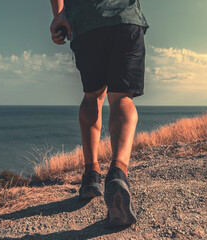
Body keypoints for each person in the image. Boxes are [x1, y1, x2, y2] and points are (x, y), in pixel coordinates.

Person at [49, 0, 148, 228]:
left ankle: (91, 175)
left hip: (85, 24)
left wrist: (60, 15)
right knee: (122, 96)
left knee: (92, 96)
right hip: (125, 18)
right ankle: (118, 173)